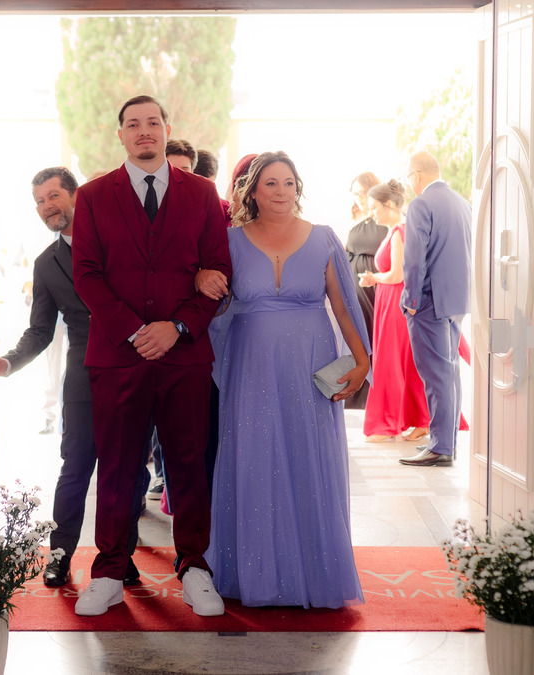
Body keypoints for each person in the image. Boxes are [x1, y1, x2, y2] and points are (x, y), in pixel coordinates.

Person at [71, 95, 232, 617]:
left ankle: (195, 568)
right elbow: (86, 274)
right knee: (117, 468)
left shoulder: (202, 193)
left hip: (185, 355)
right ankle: (108, 572)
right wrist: (136, 331)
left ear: (166, 129)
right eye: (133, 124)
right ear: (120, 134)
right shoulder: (93, 196)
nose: (144, 131)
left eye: (153, 122)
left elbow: (218, 272)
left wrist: (177, 327)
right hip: (118, 356)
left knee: (189, 464)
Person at [0, 167, 148, 588]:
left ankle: (120, 556)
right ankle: (60, 557)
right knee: (75, 467)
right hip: (83, 376)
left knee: (128, 471)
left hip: (134, 369)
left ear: (77, 196)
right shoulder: (46, 264)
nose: (47, 206)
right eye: (39, 201)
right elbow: (40, 330)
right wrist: (8, 363)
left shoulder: (122, 241)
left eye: (53, 196)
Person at [206, 151, 370, 609]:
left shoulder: (323, 238)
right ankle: (255, 573)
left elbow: (343, 308)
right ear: (253, 192)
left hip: (310, 363)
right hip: (251, 366)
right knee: (254, 457)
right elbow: (215, 304)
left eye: (289, 183)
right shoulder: (230, 242)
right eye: (271, 183)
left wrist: (362, 361)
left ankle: (315, 574)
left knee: (308, 456)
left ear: (299, 188)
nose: (281, 191)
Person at [398, 151, 472, 468]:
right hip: (456, 301)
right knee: (449, 373)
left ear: (416, 174)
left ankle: (441, 446)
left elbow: (414, 259)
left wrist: (411, 301)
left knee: (437, 376)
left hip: (429, 302)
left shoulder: (421, 204)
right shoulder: (462, 203)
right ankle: (446, 441)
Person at [359, 180, 432, 442]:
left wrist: (373, 278)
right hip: (388, 300)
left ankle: (388, 423)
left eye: (374, 207)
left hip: (394, 302)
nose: (371, 213)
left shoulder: (400, 231)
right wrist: (376, 279)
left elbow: (397, 275)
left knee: (390, 362)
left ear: (388, 204)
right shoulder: (395, 231)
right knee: (402, 362)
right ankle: (418, 420)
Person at [344, 171, 387, 410]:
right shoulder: (357, 221)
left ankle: (375, 399)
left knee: (374, 342)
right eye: (354, 193)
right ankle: (355, 397)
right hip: (354, 293)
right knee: (356, 343)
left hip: (375, 292)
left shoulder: (383, 223)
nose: (357, 198)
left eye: (361, 192)